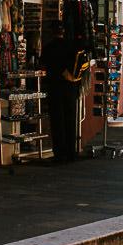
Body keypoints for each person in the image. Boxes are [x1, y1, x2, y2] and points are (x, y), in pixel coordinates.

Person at [42, 21, 79, 162]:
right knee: (70, 118)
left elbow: (44, 64)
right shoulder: (72, 46)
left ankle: (60, 153)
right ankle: (71, 151)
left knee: (57, 121)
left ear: (52, 32)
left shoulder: (49, 48)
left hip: (55, 86)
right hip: (70, 86)